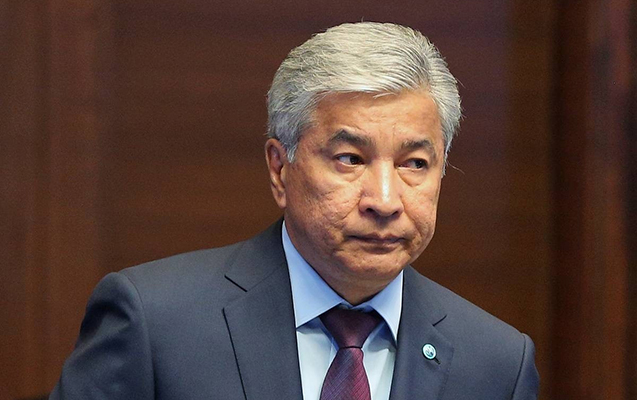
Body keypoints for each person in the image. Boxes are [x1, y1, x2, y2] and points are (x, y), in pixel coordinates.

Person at [50, 22, 539, 400]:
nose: (386, 200)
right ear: (280, 168)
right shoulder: (156, 324)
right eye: (351, 159)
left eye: (414, 163)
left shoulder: (496, 363)